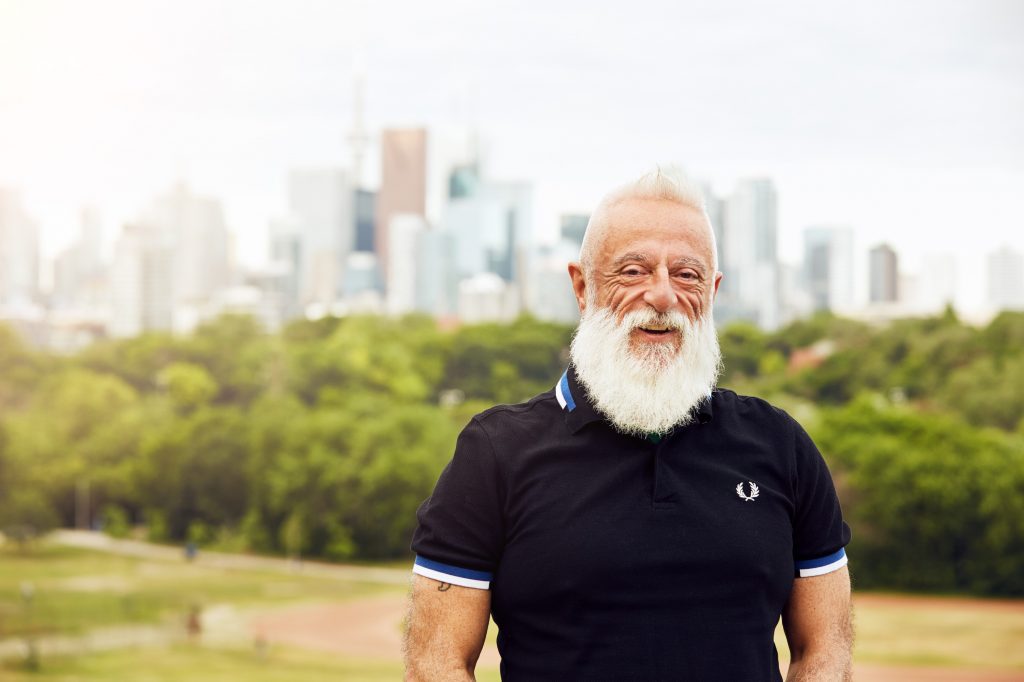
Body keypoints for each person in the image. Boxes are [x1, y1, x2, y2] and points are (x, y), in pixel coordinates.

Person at [404, 168, 853, 681]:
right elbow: (434, 663)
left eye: (687, 274)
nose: (662, 296)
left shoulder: (781, 446)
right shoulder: (495, 453)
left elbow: (825, 652)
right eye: (634, 271)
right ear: (581, 286)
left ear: (713, 290)